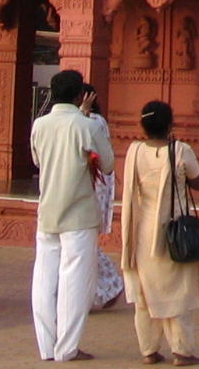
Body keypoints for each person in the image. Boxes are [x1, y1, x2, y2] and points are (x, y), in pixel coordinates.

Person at [30, 67, 116, 363]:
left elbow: (37, 160)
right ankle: (67, 347)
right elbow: (107, 164)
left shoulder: (39, 125)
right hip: (79, 212)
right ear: (81, 95)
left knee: (44, 279)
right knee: (75, 282)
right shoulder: (86, 125)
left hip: (48, 209)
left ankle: (46, 345)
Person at [120, 100, 199, 367]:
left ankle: (149, 350)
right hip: (173, 232)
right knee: (178, 293)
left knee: (145, 294)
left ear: (143, 126)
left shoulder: (134, 151)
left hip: (142, 232)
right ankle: (181, 351)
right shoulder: (181, 150)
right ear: (170, 125)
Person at [80, 84, 125, 311]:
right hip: (88, 189)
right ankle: (103, 289)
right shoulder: (90, 120)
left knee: (84, 244)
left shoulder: (93, 121)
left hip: (92, 188)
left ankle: (110, 286)